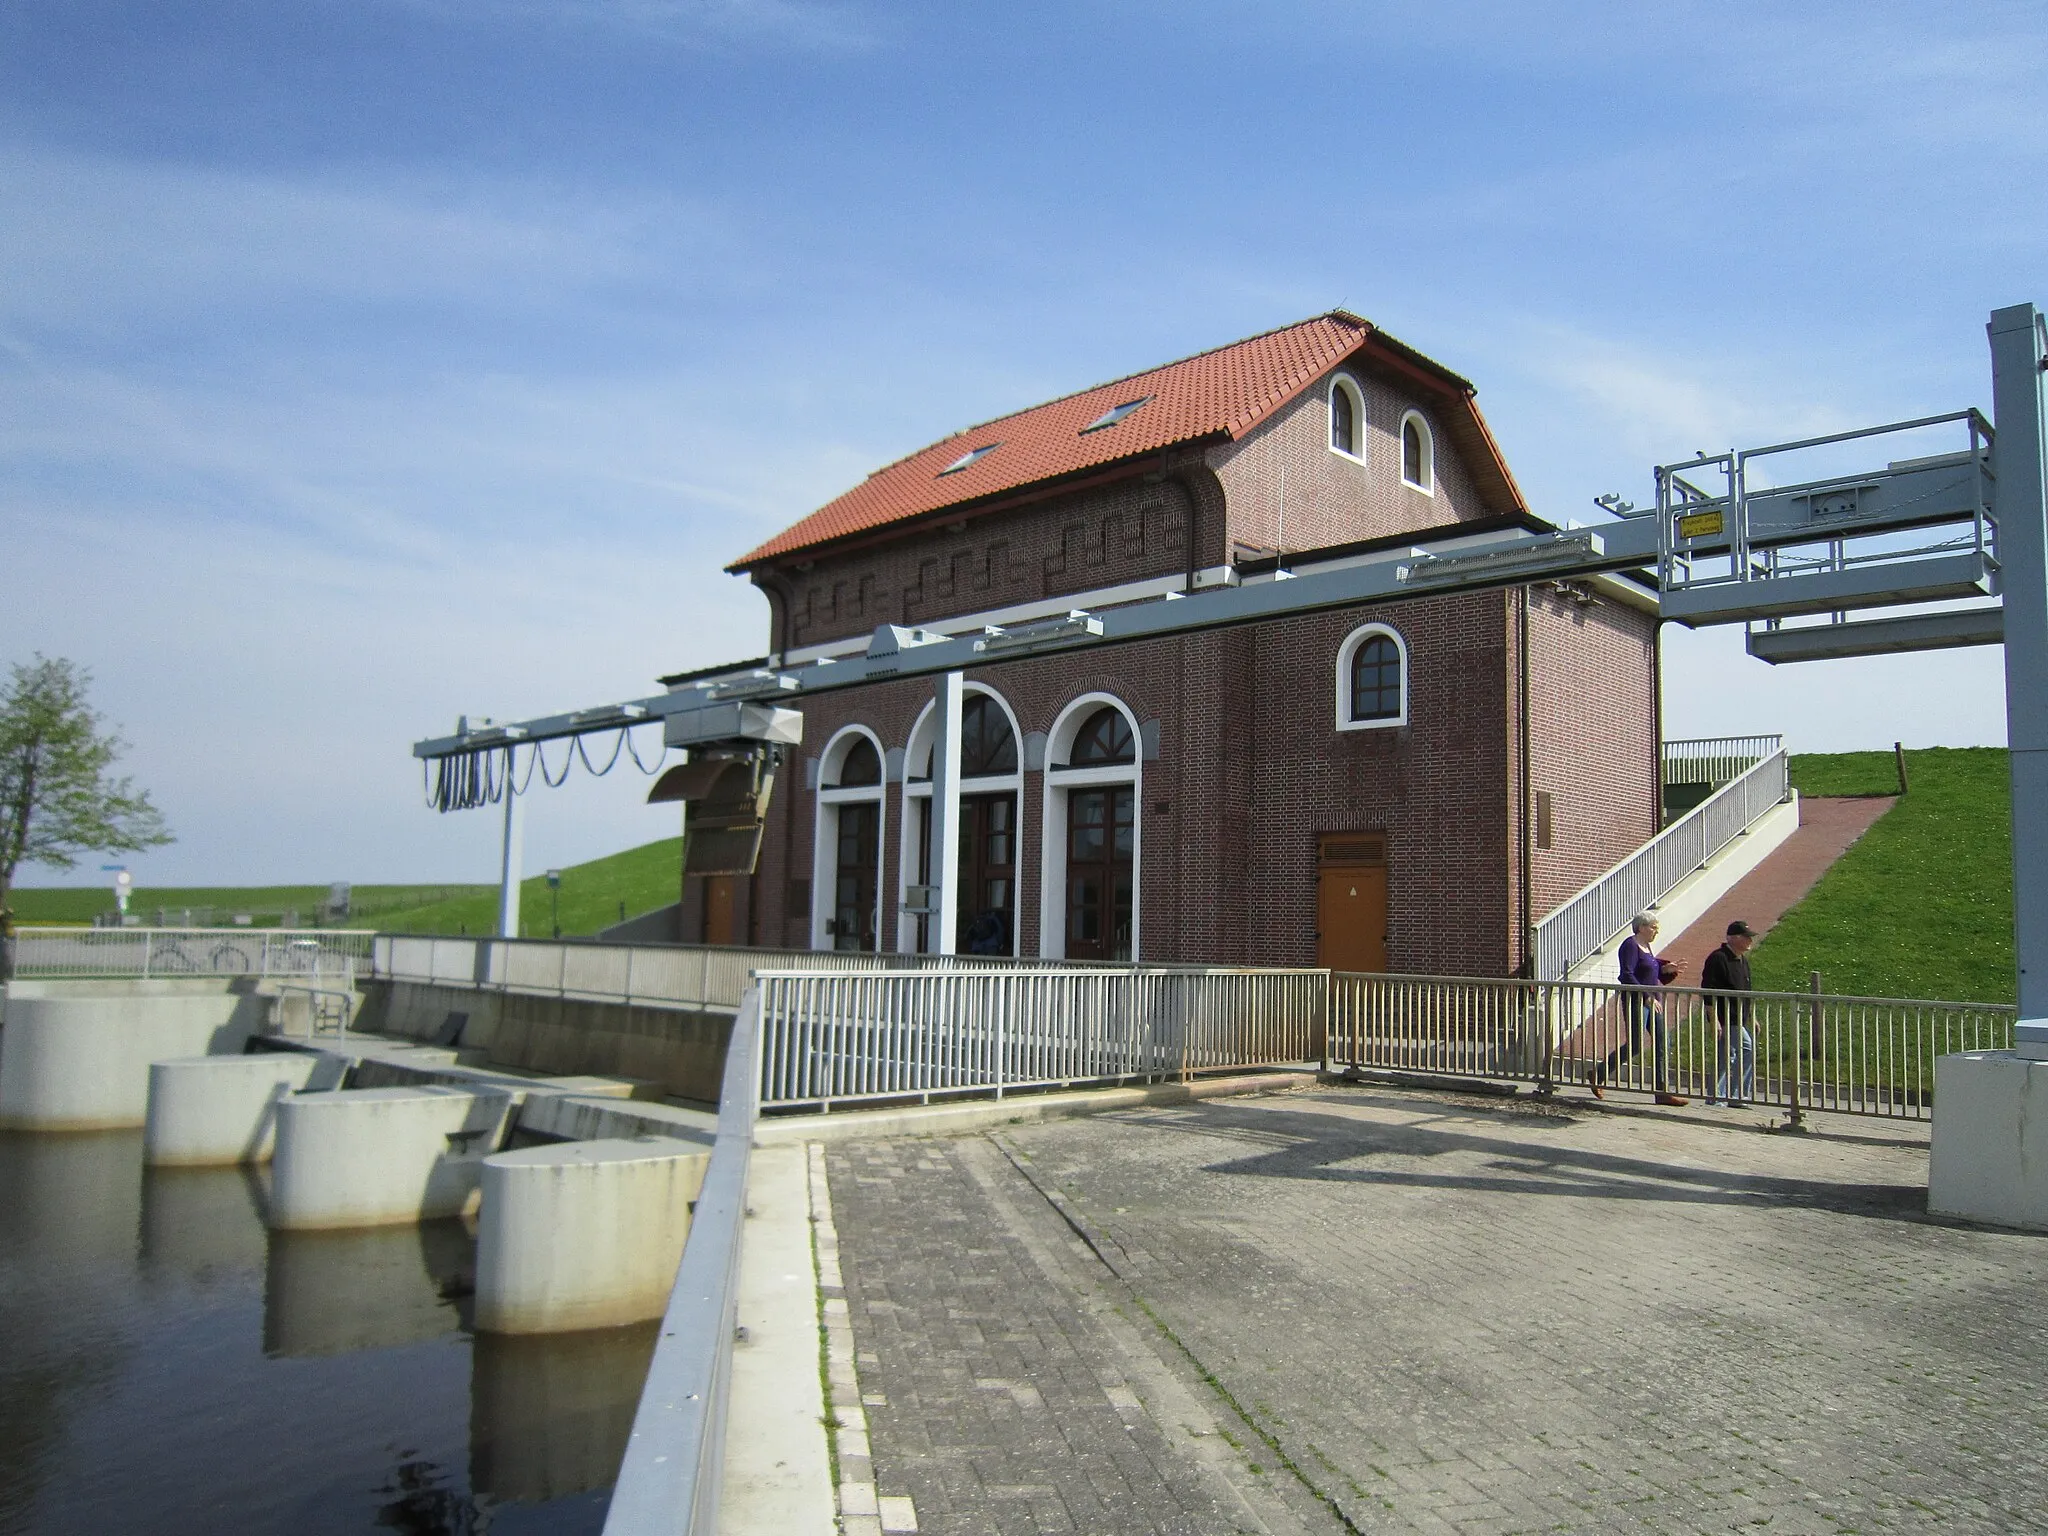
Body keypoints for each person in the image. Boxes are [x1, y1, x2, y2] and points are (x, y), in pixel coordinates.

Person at [1588, 912, 1688, 1106]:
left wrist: (1665, 969)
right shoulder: (1630, 945)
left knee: (1663, 1041)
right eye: (1653, 927)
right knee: (1635, 1044)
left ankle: (1662, 1092)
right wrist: (1646, 997)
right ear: (1641, 927)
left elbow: (1649, 969)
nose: (1656, 931)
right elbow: (1627, 974)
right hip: (1637, 1000)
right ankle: (1598, 1073)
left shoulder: (1646, 947)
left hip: (1653, 1001)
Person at [1701, 920, 1757, 1107]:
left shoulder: (1742, 960)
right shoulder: (1718, 958)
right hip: (1726, 1018)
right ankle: (1735, 1095)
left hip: (1739, 1018)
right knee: (1746, 1049)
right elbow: (1708, 990)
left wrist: (1752, 1016)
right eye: (1745, 937)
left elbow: (1746, 991)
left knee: (1726, 1055)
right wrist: (1714, 1019)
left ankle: (1719, 1096)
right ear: (1732, 938)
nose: (1750, 941)